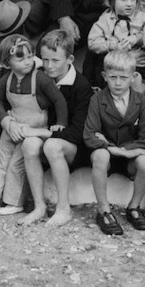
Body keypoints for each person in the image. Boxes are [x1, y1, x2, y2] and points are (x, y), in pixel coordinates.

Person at [0, 35, 68, 217]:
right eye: (20, 59)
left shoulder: (41, 78)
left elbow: (58, 100)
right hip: (13, 126)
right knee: (2, 164)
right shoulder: (7, 79)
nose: (27, 62)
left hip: (32, 130)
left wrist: (60, 123)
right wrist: (5, 120)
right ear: (7, 61)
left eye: (30, 56)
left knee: (16, 164)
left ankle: (14, 202)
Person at [15, 30, 94, 227]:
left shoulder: (80, 85)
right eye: (45, 60)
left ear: (70, 59)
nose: (49, 66)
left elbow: (77, 133)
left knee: (51, 145)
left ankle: (63, 209)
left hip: (73, 148)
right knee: (29, 144)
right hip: (49, 141)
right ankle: (39, 207)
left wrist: (44, 132)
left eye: (56, 60)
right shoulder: (39, 78)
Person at [83, 51, 145, 235]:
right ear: (104, 76)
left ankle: (134, 207)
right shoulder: (97, 100)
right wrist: (119, 151)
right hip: (107, 156)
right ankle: (104, 211)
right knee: (100, 154)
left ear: (133, 77)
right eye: (112, 77)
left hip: (130, 159)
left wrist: (128, 151)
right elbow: (90, 135)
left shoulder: (141, 101)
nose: (117, 82)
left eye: (123, 77)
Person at [87, 0, 145, 95]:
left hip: (141, 63)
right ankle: (137, 106)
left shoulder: (142, 17)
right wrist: (114, 46)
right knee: (137, 87)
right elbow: (93, 42)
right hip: (119, 66)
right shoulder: (106, 19)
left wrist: (137, 38)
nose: (129, 4)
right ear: (113, 1)